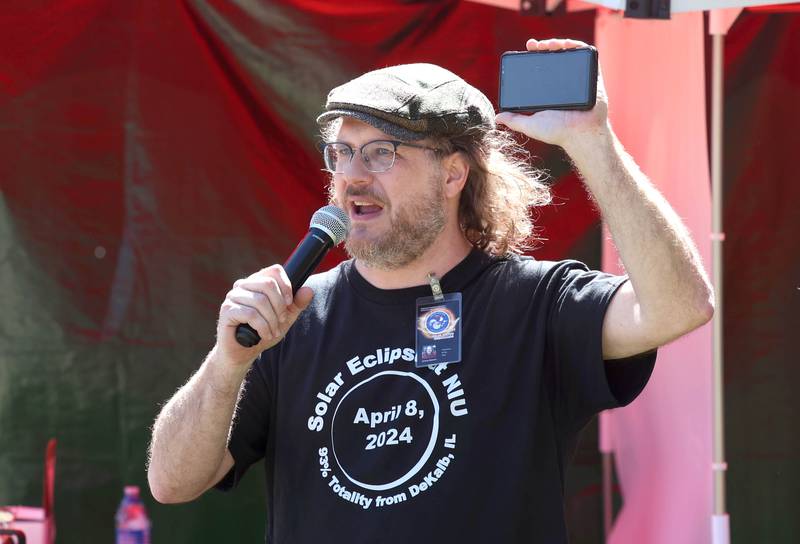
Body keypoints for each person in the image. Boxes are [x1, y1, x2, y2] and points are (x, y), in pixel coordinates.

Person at [147, 38, 713, 542]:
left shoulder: (535, 303)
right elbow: (171, 483)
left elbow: (680, 307)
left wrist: (592, 141)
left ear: (452, 175)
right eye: (341, 154)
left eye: (381, 153)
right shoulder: (292, 317)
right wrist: (228, 362)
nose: (352, 176)